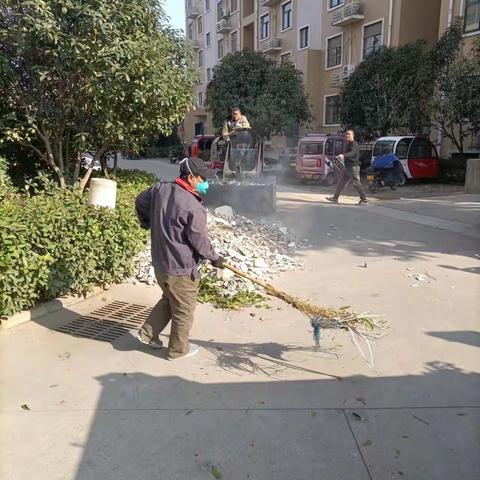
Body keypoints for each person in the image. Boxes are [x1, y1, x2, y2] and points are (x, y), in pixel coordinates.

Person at [134, 157, 225, 359]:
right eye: (203, 178)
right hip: (181, 270)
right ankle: (177, 350)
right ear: (191, 177)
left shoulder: (159, 189)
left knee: (169, 298)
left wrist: (146, 221)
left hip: (160, 264)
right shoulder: (193, 206)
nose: (206, 183)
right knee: (184, 309)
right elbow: (200, 242)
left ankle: (147, 333)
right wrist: (215, 258)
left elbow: (140, 201)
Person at [326, 129, 368, 206]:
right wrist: (340, 157)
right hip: (348, 168)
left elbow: (352, 153)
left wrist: (343, 155)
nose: (347, 136)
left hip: (353, 167)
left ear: (353, 136)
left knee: (356, 183)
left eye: (349, 134)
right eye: (346, 134)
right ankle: (335, 198)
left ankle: (364, 199)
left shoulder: (354, 144)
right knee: (341, 183)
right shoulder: (348, 144)